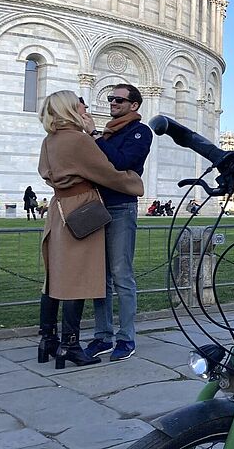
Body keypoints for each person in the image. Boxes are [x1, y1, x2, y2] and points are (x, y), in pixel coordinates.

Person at [36, 91, 144, 368]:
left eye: (118, 100)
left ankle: (48, 339)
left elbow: (44, 171)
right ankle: (70, 345)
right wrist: (134, 184)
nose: (111, 103)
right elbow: (108, 172)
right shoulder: (80, 139)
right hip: (84, 208)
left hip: (61, 208)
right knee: (81, 276)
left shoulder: (51, 139)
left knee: (60, 274)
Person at [83, 84, 152, 362]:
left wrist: (94, 137)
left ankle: (126, 338)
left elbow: (124, 161)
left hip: (122, 207)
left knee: (122, 274)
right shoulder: (108, 133)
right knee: (101, 277)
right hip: (99, 206)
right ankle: (103, 336)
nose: (112, 102)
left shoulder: (140, 132)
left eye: (119, 99)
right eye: (111, 98)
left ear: (133, 105)